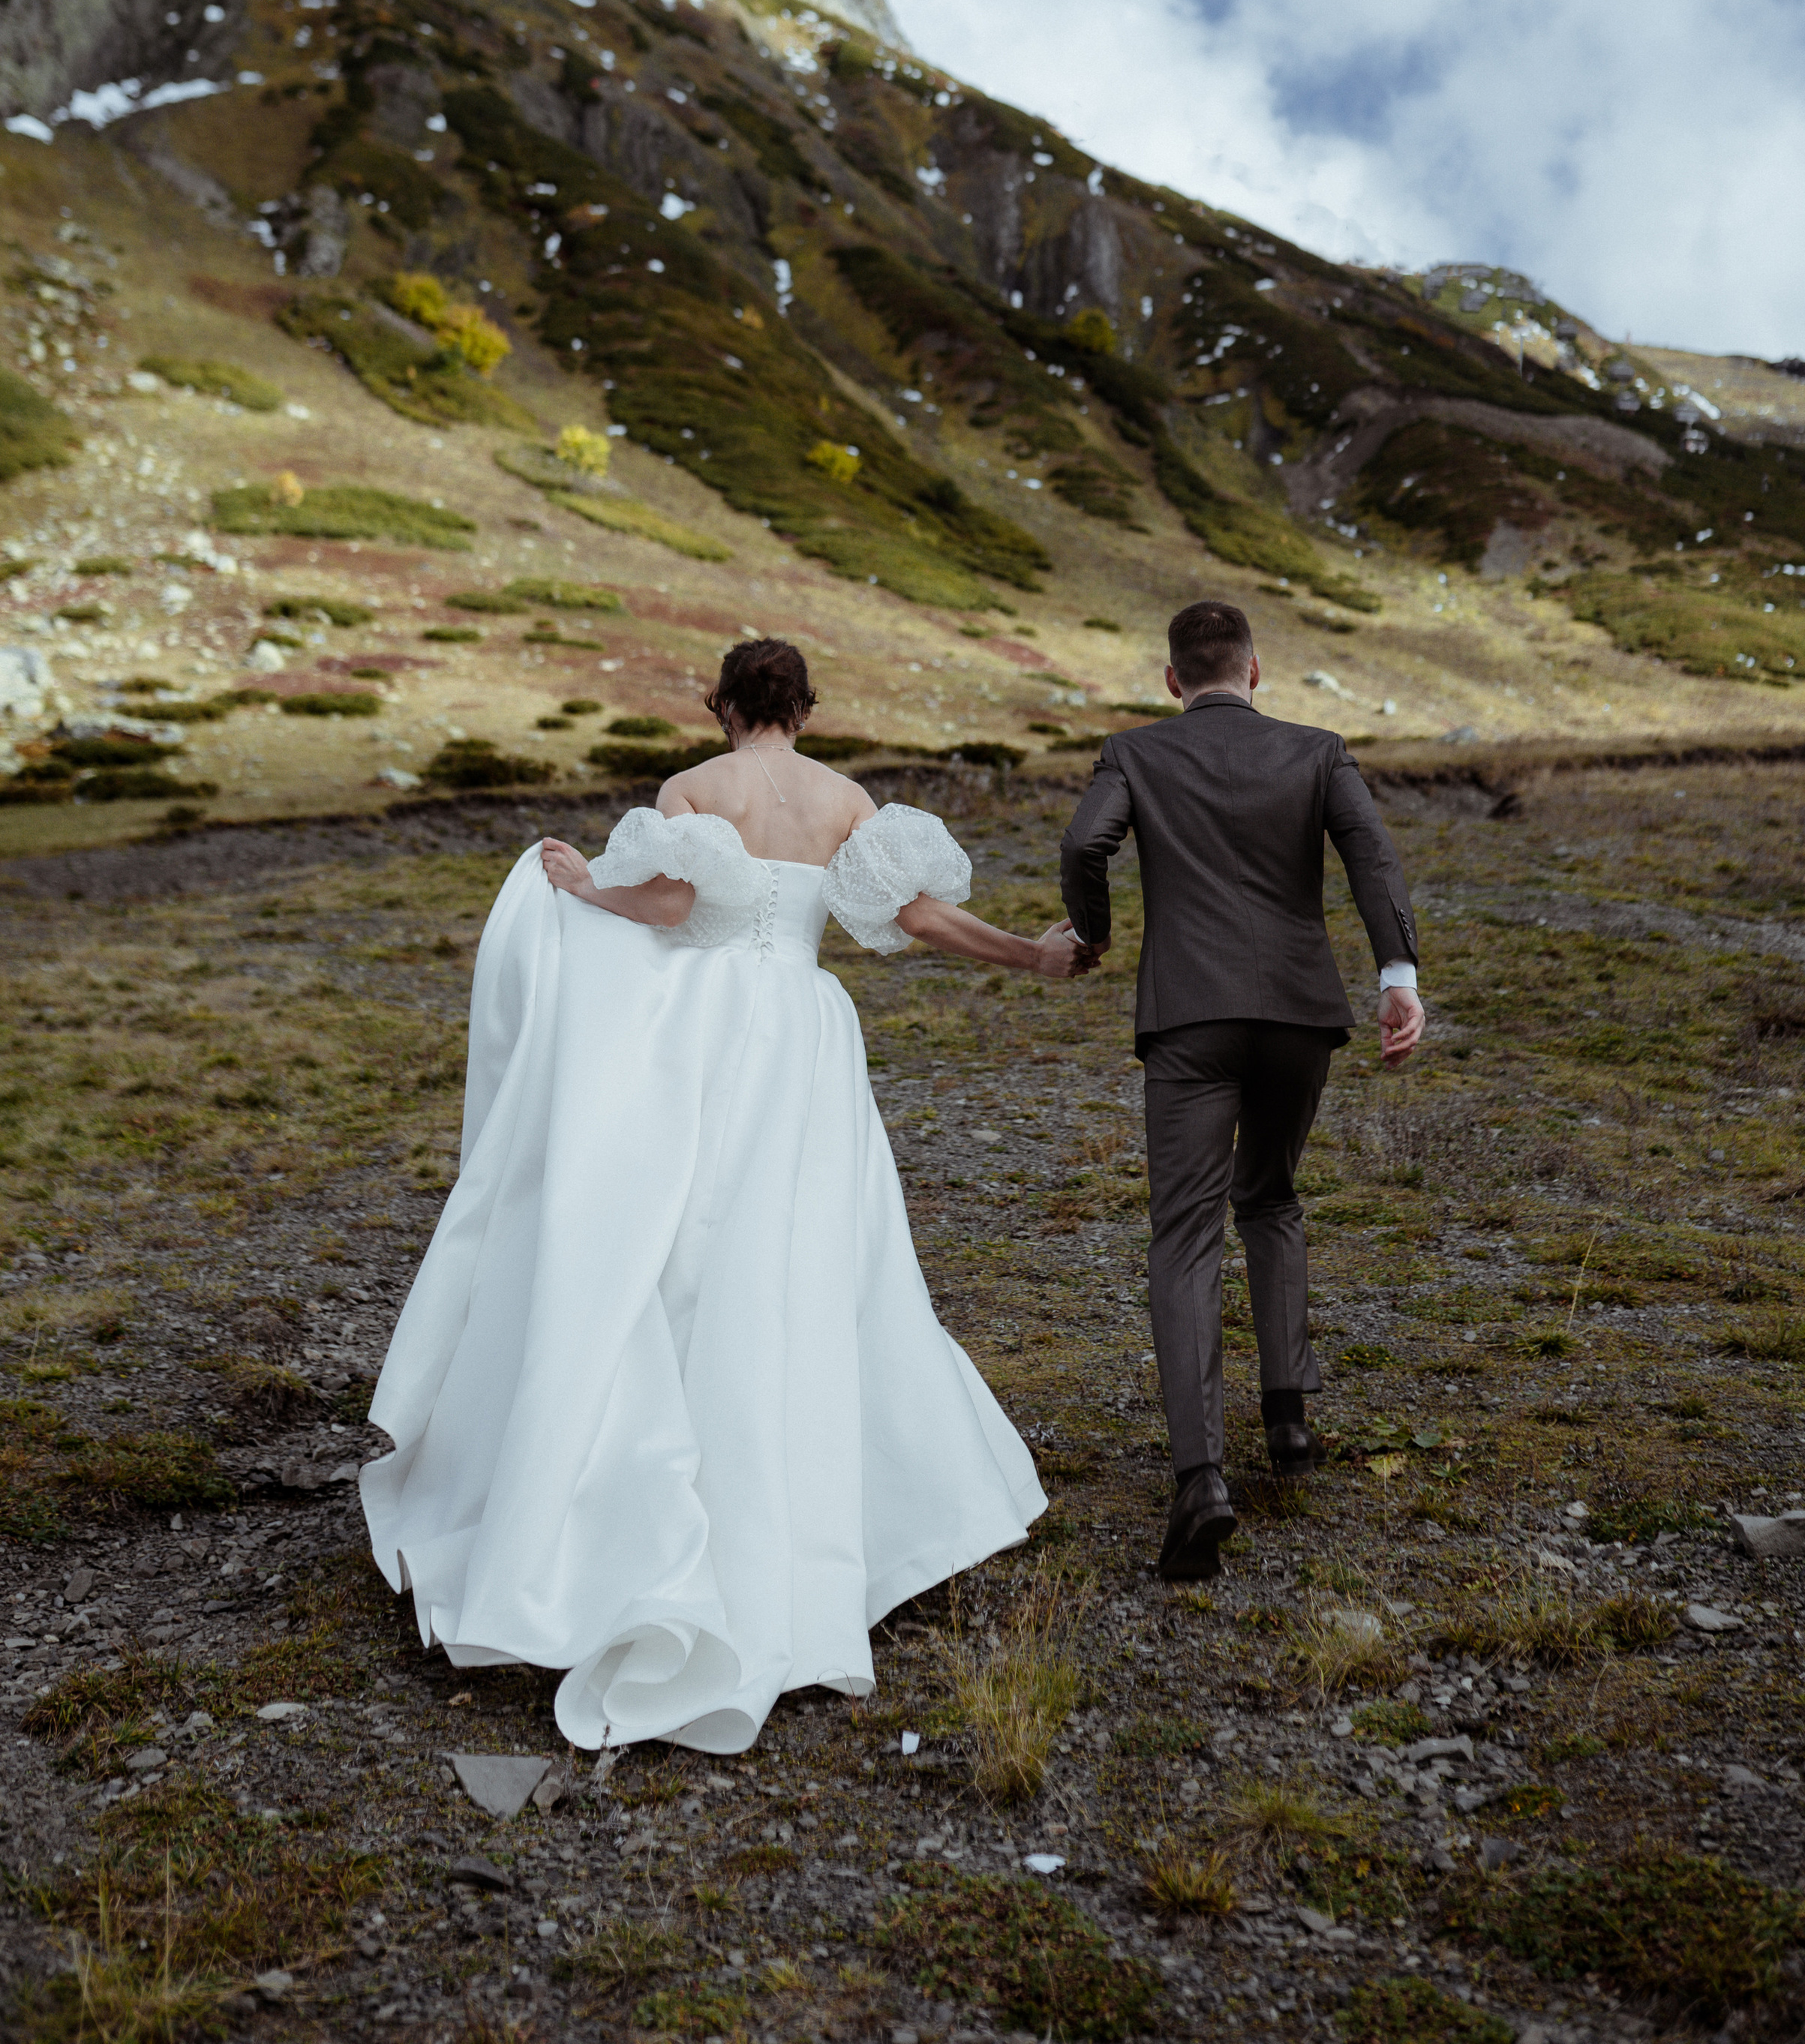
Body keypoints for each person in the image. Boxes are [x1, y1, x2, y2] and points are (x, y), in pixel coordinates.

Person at [361, 637, 1090, 1754]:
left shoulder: (694, 790)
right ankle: (818, 1502)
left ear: (720, 703)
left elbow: (665, 910)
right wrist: (1029, 958)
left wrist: (578, 885)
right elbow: (915, 923)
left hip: (706, 1036)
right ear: (804, 704)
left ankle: (659, 1480)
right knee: (812, 1256)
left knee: (683, 1248)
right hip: (804, 1033)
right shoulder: (848, 799)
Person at [1059, 599, 1425, 1581]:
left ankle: (1200, 1482)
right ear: (1256, 672)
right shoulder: (1320, 750)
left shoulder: (1135, 753)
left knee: (1184, 1233)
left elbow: (1084, 847)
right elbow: (1372, 857)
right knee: (1270, 1197)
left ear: (1173, 679)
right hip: (1302, 1014)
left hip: (1189, 1017)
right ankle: (1290, 1417)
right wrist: (1398, 978)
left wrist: (1091, 936)